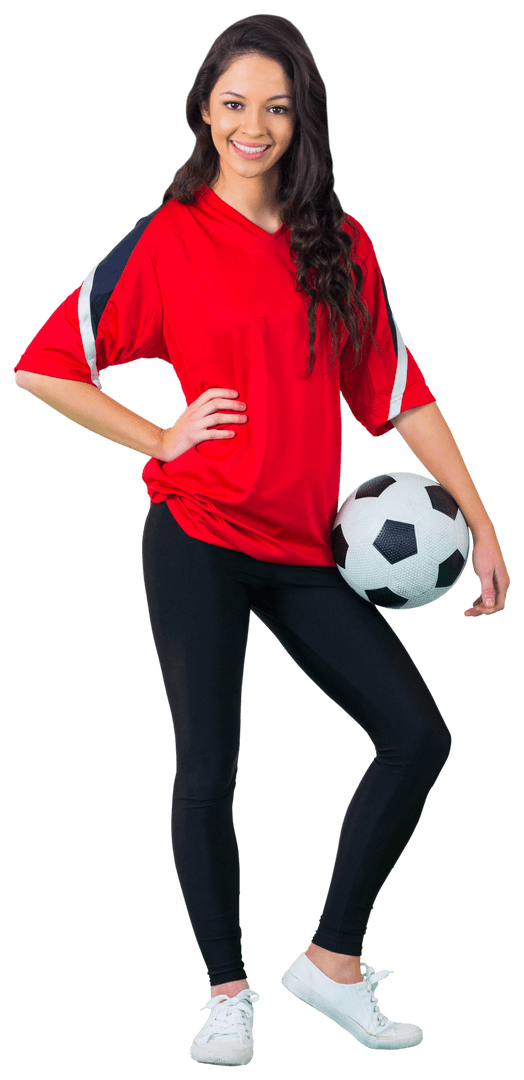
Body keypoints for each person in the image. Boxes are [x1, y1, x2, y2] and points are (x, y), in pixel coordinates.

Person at [14, 12, 510, 1066]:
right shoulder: (167, 235)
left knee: (417, 736)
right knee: (207, 766)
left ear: (301, 121)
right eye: (234, 103)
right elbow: (46, 364)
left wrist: (478, 515)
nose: (254, 124)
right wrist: (159, 432)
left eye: (276, 107)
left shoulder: (340, 240)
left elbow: (400, 393)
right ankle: (226, 993)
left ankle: (330, 965)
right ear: (203, 108)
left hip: (301, 551)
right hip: (194, 533)